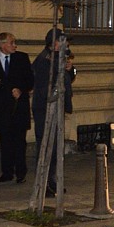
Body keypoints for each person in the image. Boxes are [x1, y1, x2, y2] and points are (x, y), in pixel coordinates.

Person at [0, 32, 34, 183]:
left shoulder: (22, 58)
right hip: (2, 107)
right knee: (5, 140)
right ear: (2, 45)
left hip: (19, 107)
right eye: (11, 43)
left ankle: (21, 172)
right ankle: (7, 172)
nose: (14, 45)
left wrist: (21, 89)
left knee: (20, 141)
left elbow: (30, 80)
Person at [32, 29, 76, 195]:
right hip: (46, 109)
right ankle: (43, 185)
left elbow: (67, 79)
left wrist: (70, 70)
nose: (67, 44)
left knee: (55, 148)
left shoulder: (57, 58)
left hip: (56, 108)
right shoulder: (45, 60)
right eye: (63, 40)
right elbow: (46, 87)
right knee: (46, 147)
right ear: (54, 43)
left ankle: (51, 181)